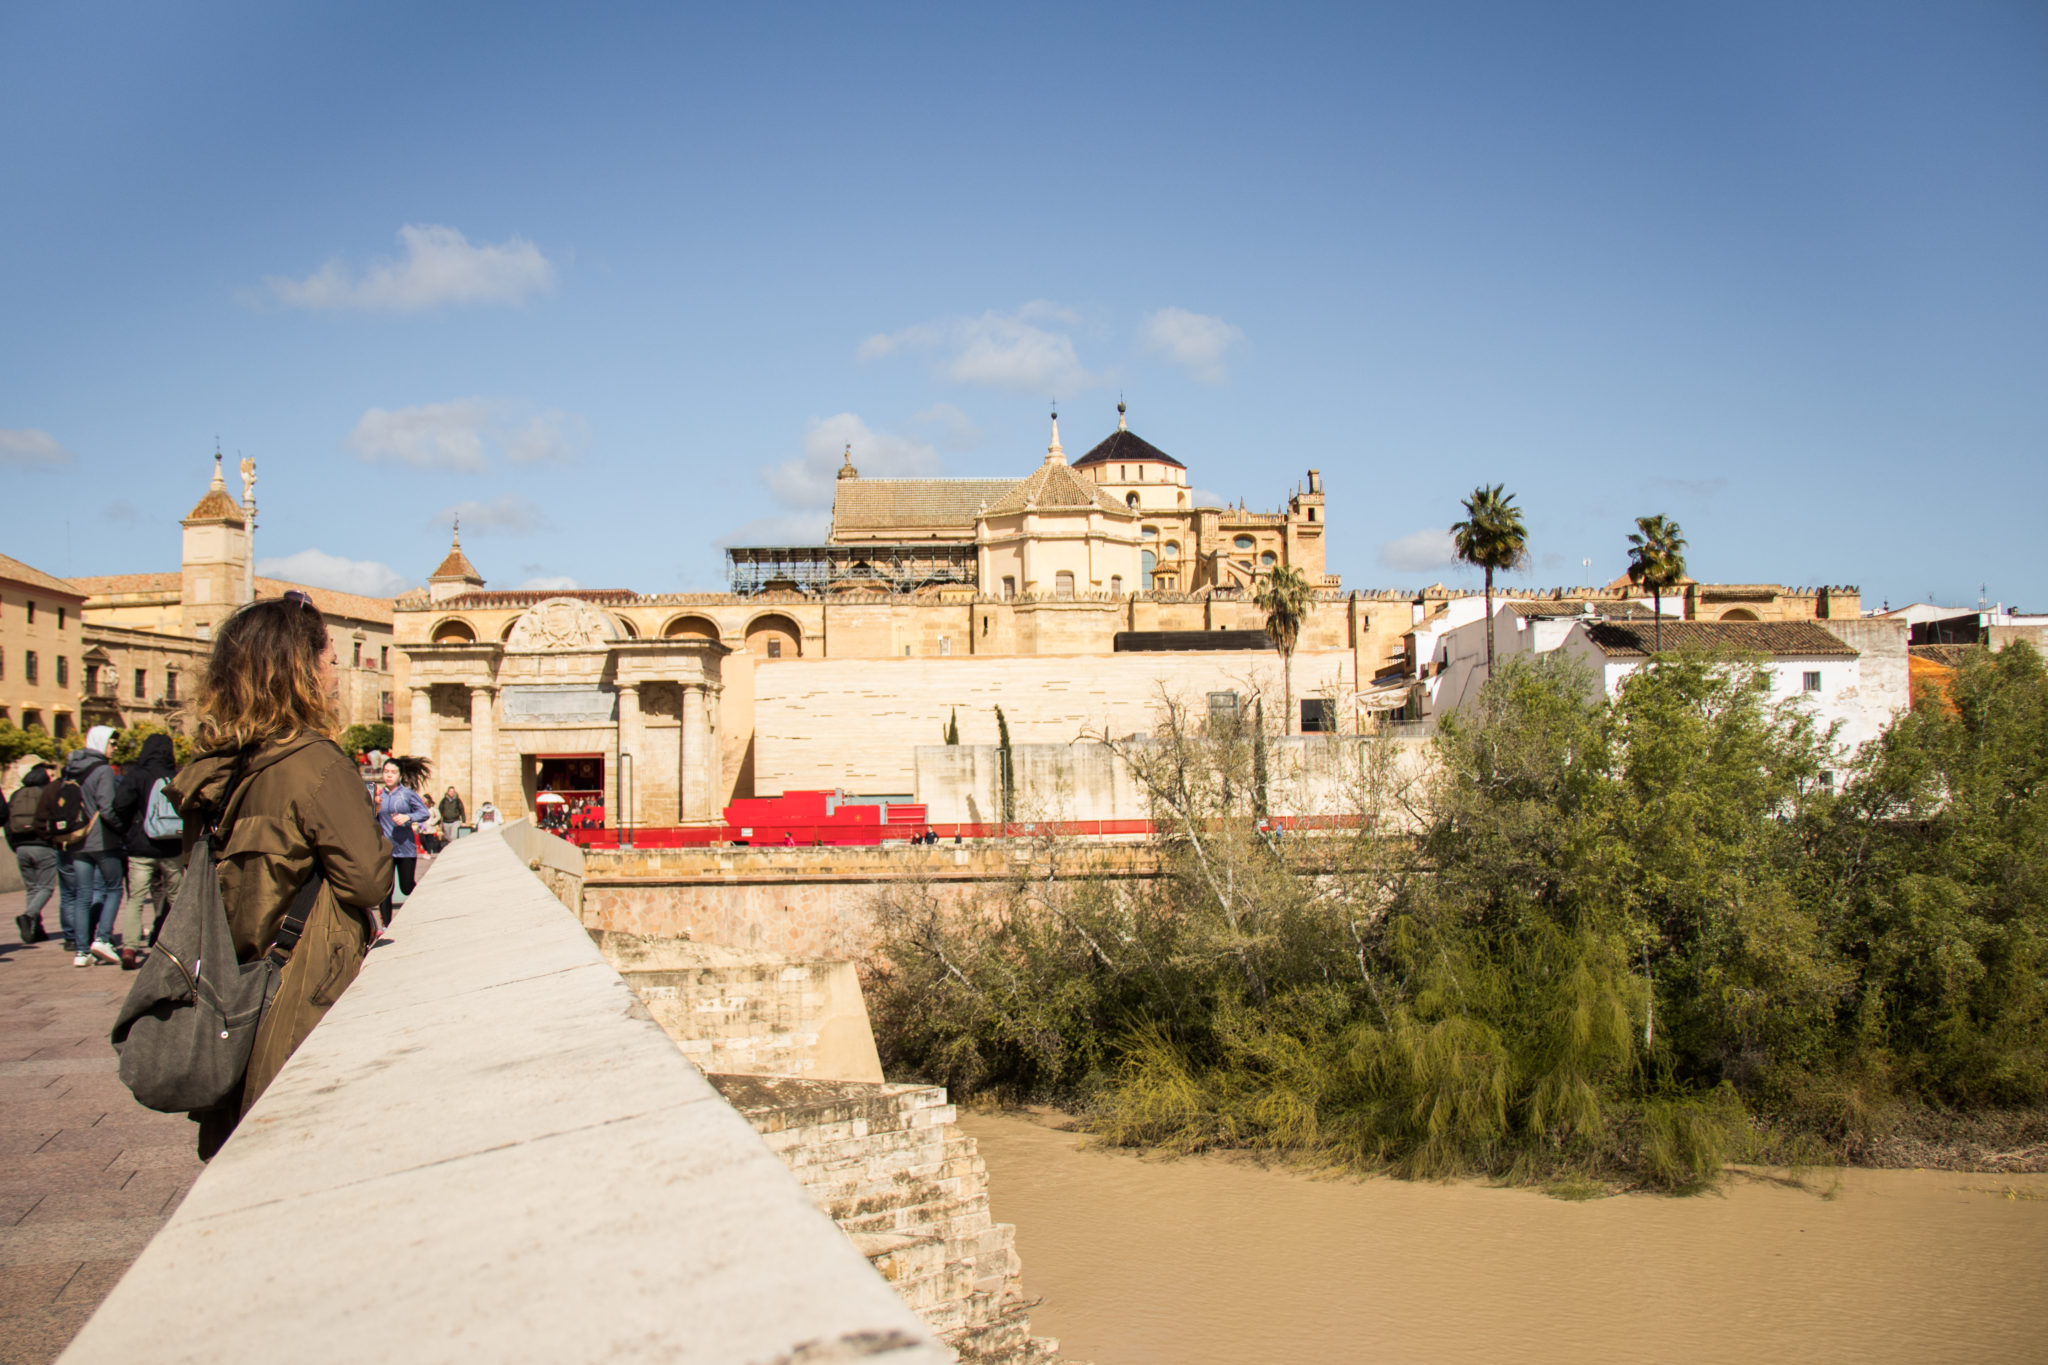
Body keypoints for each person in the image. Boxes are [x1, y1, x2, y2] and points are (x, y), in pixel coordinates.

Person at [171, 592, 391, 1158]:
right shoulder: (315, 763)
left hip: (226, 975)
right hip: (295, 976)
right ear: (302, 668)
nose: (337, 669)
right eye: (329, 657)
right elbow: (368, 881)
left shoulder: (212, 765)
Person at [111, 732, 182, 966]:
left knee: (136, 899)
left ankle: (130, 949)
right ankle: (176, 946)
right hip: (172, 847)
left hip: (141, 848)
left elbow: (119, 806)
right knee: (177, 898)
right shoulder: (176, 776)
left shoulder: (136, 776)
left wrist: (129, 829)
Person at [61, 726, 125, 966]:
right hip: (102, 839)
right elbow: (107, 807)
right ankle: (103, 938)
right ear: (101, 742)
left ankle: (80, 951)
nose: (115, 748)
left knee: (82, 895)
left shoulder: (72, 769)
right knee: (114, 888)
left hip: (78, 839)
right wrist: (122, 827)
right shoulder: (103, 771)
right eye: (112, 743)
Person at [376, 757, 433, 920]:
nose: (389, 775)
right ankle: (386, 925)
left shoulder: (407, 794)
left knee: (407, 887)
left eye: (393, 772)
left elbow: (424, 813)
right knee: (385, 889)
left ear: (400, 775)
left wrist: (407, 817)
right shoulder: (378, 796)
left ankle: (425, 907)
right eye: (386, 772)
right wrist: (374, 807)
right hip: (385, 849)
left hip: (405, 848)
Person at [8, 764, 57, 942]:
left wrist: (15, 845)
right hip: (42, 846)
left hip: (21, 847)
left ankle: (33, 930)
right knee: (46, 887)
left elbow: (8, 823)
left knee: (32, 888)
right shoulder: (45, 794)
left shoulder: (16, 795)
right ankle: (28, 917)